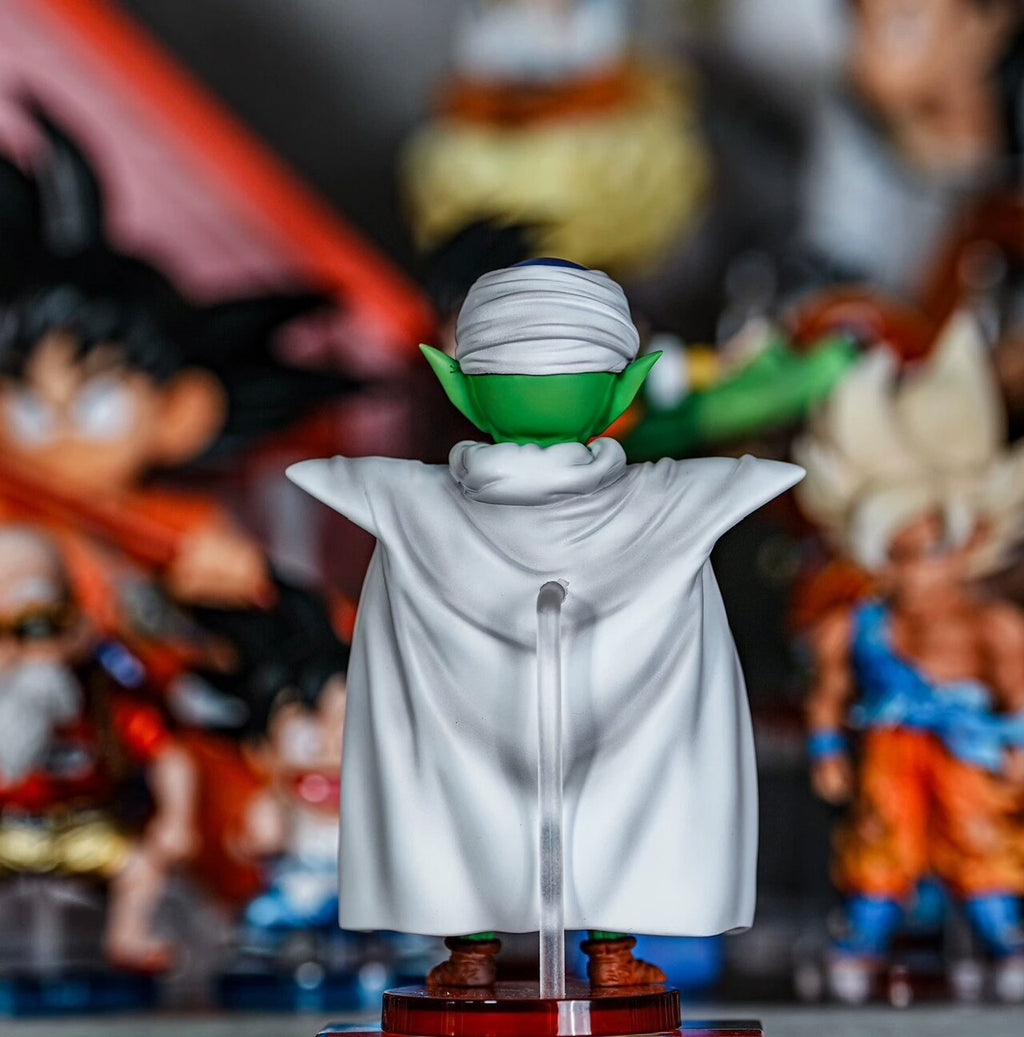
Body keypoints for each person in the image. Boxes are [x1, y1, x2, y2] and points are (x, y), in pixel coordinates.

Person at [288, 260, 803, 988]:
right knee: (614, 795)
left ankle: (475, 951)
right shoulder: (675, 500)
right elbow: (753, 474)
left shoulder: (403, 502)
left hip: (469, 741)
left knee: (456, 801)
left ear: (457, 384)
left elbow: (336, 476)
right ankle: (604, 950)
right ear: (625, 388)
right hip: (589, 743)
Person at [794, 314, 1024, 1001]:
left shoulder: (990, 620)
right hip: (891, 746)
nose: (920, 569)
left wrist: (1017, 744)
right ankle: (863, 941)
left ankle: (1003, 935)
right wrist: (827, 747)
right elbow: (830, 688)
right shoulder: (857, 623)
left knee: (980, 841)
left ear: (968, 542)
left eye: (933, 548)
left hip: (967, 746)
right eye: (901, 552)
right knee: (880, 841)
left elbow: (1015, 684)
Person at [0, 526, 196, 972]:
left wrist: (177, 819)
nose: (30, 637)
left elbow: (167, 753)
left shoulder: (102, 689)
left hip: (84, 824)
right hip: (8, 824)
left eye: (44, 620)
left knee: (141, 867)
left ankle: (128, 938)